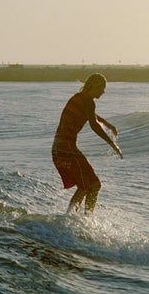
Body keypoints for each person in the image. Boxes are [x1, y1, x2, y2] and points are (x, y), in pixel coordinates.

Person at [52, 73, 123, 214]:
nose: (103, 92)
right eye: (102, 88)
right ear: (94, 86)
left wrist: (108, 124)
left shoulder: (79, 98)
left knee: (87, 186)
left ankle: (75, 218)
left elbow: (91, 115)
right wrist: (112, 144)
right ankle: (81, 219)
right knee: (92, 185)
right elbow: (93, 124)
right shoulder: (88, 102)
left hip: (60, 148)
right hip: (66, 148)